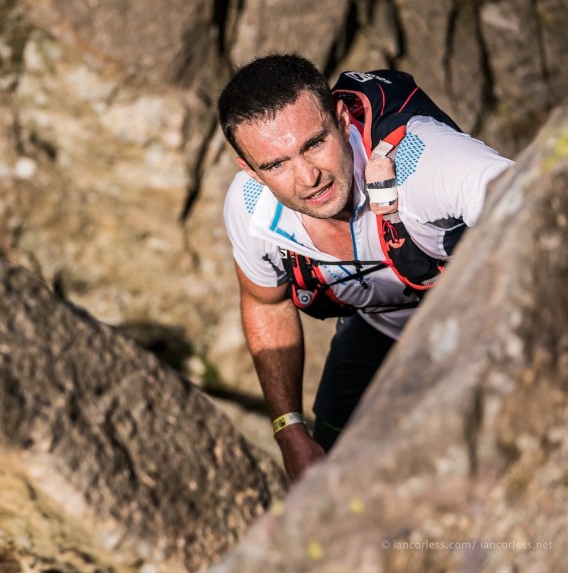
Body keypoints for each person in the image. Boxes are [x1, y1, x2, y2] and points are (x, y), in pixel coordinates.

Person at [217, 53, 512, 479]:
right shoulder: (250, 210)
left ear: (340, 118)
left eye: (314, 143)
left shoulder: (423, 161)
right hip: (379, 326)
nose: (307, 178)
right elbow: (266, 303)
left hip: (481, 321)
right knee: (326, 470)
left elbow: (546, 208)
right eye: (276, 164)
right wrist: (289, 430)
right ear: (250, 170)